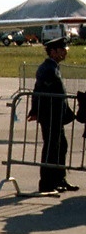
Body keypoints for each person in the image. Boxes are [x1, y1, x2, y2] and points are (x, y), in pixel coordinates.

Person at [28, 36, 78, 193]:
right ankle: (47, 184)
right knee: (51, 147)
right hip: (50, 116)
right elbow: (39, 91)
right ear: (53, 51)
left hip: (56, 116)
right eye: (62, 50)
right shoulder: (47, 69)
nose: (65, 53)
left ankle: (59, 179)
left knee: (61, 145)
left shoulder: (53, 67)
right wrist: (36, 110)